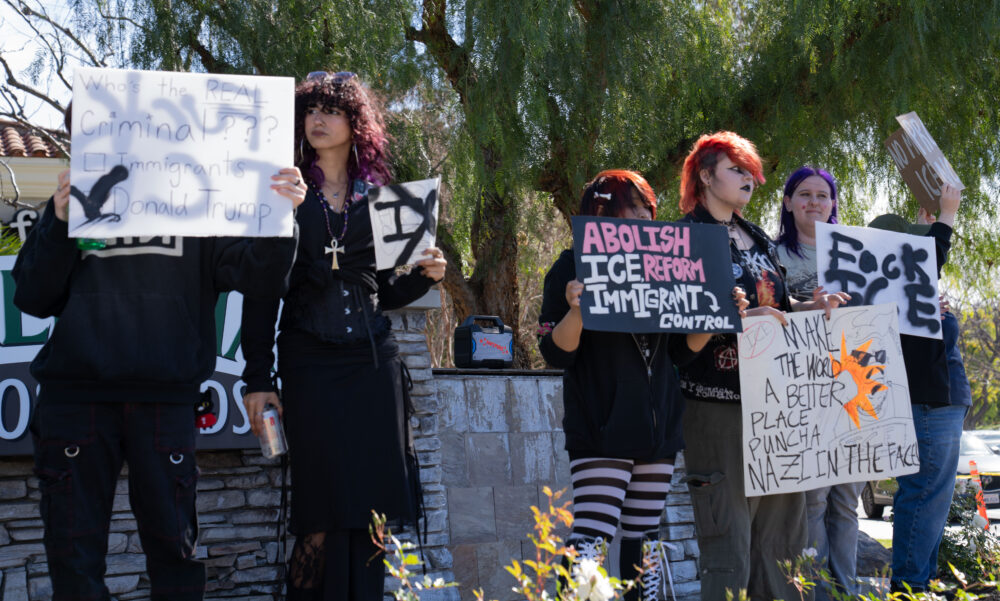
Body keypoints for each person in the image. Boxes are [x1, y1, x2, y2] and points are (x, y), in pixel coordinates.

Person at [14, 107, 304, 601]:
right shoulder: (68, 205)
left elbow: (259, 277)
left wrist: (282, 217)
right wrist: (59, 222)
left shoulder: (201, 207)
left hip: (166, 399)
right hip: (76, 400)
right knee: (74, 560)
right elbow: (32, 297)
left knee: (176, 555)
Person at [239, 70, 446, 601]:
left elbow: (382, 293)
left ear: (357, 123)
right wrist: (258, 378)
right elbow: (261, 293)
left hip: (373, 367)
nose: (317, 119)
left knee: (373, 510)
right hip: (310, 364)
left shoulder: (381, 199)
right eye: (310, 110)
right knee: (319, 508)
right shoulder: (283, 189)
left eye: (330, 110)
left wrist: (426, 275)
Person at [536, 169, 749, 601]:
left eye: (647, 207)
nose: (643, 215)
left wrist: (719, 313)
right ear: (601, 210)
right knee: (592, 536)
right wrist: (578, 309)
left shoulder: (665, 266)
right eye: (630, 206)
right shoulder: (569, 266)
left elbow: (680, 353)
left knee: (645, 539)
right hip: (601, 428)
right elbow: (556, 353)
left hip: (659, 429)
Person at [675, 132, 848, 601]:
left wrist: (812, 306)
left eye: (752, 170)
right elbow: (677, 332)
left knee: (783, 543)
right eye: (737, 169)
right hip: (717, 405)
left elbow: (775, 307)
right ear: (705, 176)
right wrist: (732, 318)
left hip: (776, 405)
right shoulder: (683, 238)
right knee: (728, 543)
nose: (750, 177)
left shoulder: (755, 237)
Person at [866, 186, 964, 593]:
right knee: (923, 493)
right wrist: (946, 217)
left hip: (942, 399)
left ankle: (923, 580)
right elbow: (932, 257)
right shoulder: (884, 289)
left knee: (933, 497)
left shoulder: (916, 292)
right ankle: (909, 585)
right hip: (925, 401)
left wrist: (929, 227)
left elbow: (927, 262)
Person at [775, 165, 863, 600]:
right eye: (803, 194)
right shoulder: (772, 256)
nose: (813, 202)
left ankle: (845, 592)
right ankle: (815, 595)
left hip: (856, 390)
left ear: (833, 205)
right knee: (811, 502)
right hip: (801, 394)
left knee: (847, 502)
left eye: (822, 195)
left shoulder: (857, 253)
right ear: (788, 202)